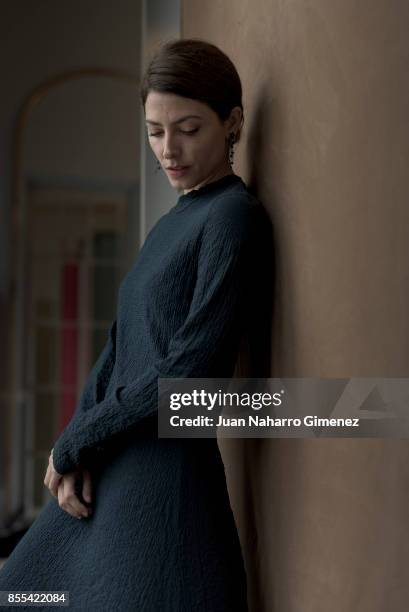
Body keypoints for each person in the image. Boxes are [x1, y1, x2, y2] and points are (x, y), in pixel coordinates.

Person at [0, 38, 272, 611]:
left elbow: (190, 374)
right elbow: (119, 347)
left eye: (188, 129)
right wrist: (75, 449)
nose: (168, 149)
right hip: (113, 470)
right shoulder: (174, 220)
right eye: (154, 130)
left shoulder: (232, 218)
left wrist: (78, 440)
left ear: (233, 123)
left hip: (164, 485)